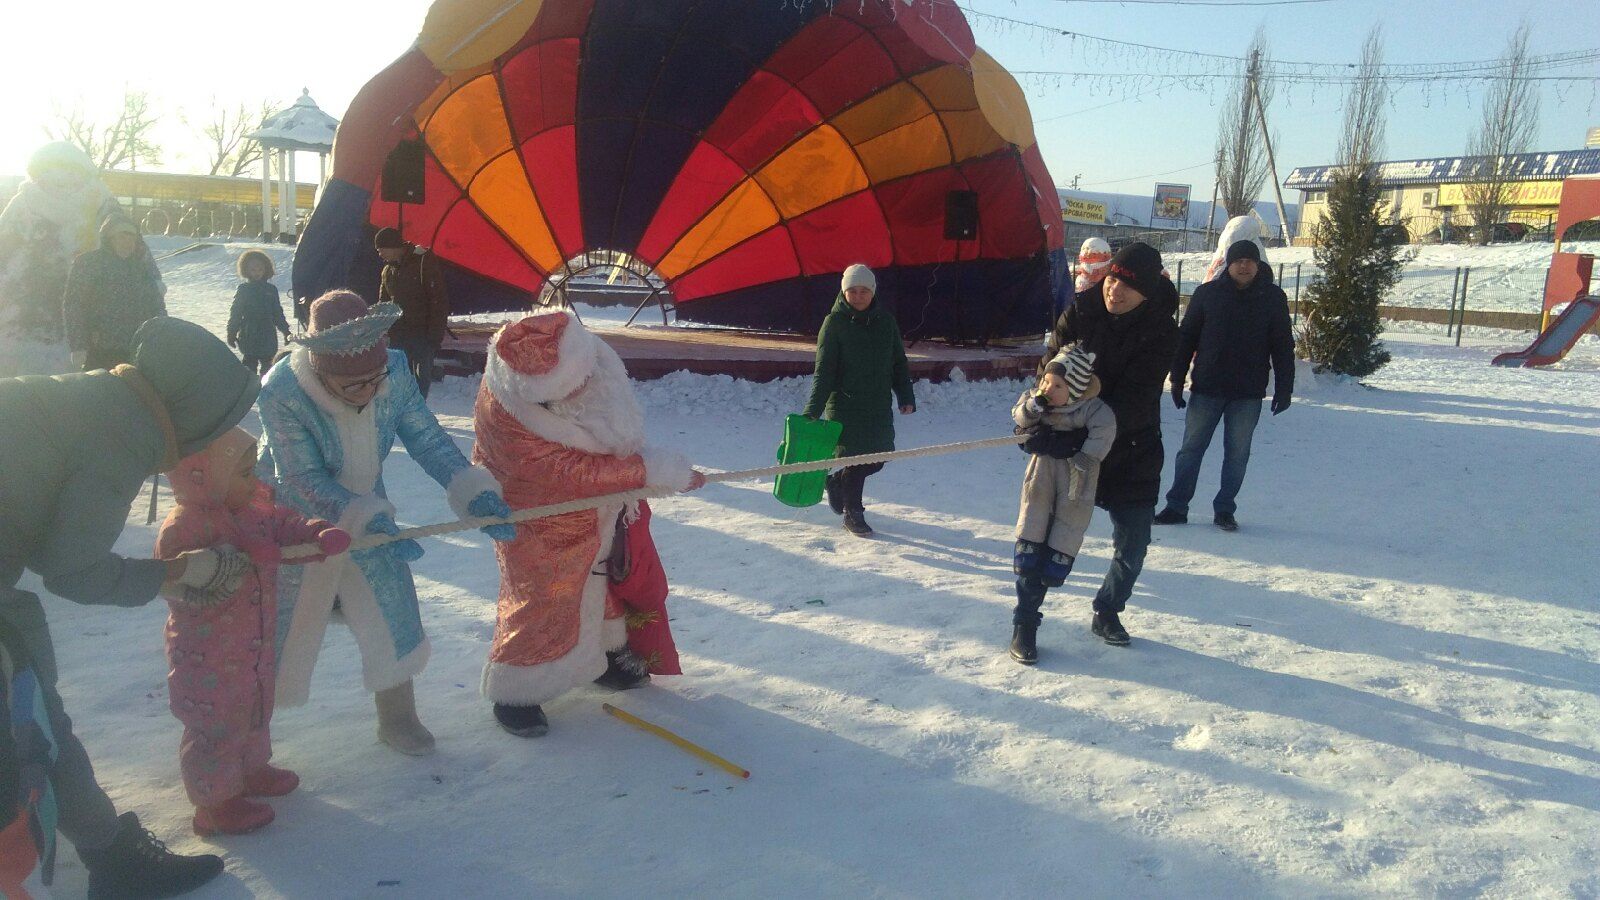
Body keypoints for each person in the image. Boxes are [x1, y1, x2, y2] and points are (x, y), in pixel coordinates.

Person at [1, 316, 259, 898]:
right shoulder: (124, 433)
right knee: (33, 721)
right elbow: (72, 570)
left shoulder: (99, 394)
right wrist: (178, 571)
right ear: (193, 411)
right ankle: (115, 862)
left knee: (32, 714)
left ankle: (106, 851)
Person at [256, 291, 515, 757]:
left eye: (375, 379)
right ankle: (250, 730)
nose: (371, 391)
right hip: (292, 518)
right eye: (354, 385)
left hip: (369, 509)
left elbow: (426, 439)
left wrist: (470, 489)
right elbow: (297, 476)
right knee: (277, 626)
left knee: (392, 611)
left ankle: (397, 717)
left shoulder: (393, 371)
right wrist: (363, 515)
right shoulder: (282, 390)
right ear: (320, 369)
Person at [474, 311, 701, 737]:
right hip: (536, 520)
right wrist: (652, 471)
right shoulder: (508, 412)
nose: (584, 386)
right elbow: (571, 471)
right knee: (544, 598)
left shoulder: (583, 354)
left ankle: (606, 655)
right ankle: (516, 690)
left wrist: (644, 466)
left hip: (597, 514)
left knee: (601, 583)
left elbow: (607, 431)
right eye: (571, 385)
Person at [155, 428, 350, 836]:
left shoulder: (254, 510)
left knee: (256, 712)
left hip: (252, 645)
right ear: (204, 478)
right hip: (206, 657)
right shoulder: (183, 527)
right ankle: (214, 802)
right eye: (243, 473)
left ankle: (250, 772)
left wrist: (316, 531)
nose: (255, 481)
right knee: (217, 727)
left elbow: (285, 522)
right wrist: (238, 556)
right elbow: (176, 580)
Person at [1042, 242, 1179, 647]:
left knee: (1134, 541)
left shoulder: (1162, 330)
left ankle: (1108, 609)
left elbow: (1138, 398)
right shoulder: (1082, 310)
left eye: (1127, 286)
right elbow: (1048, 364)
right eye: (1113, 279)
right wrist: (1045, 408)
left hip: (1133, 449)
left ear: (1147, 294)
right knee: (1041, 532)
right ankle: (1027, 615)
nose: (1115, 290)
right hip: (1069, 445)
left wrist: (1086, 414)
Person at [1158, 240, 1295, 532]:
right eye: (1238, 260)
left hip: (1247, 392)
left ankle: (1225, 509)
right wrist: (1178, 378)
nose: (1243, 266)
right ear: (1228, 264)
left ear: (1258, 265)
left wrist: (1285, 388)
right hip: (1207, 386)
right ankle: (1176, 506)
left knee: (1237, 454)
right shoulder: (1208, 294)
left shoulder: (1272, 298)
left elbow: (1283, 345)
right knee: (1190, 449)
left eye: (1249, 260)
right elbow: (1187, 338)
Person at [1008, 344, 1117, 665]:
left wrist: (1081, 452)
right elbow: (1019, 416)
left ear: (1077, 386)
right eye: (1046, 382)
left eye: (1057, 386)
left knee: (1065, 532)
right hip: (1040, 482)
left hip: (1075, 484)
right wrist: (1030, 416)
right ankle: (1024, 623)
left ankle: (1054, 565)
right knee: (1033, 534)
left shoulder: (1092, 409)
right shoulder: (1038, 400)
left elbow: (1105, 430)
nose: (1048, 389)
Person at [806, 264, 916, 537]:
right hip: (845, 404)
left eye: (863, 290)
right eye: (852, 291)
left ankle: (835, 482)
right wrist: (813, 410)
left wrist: (905, 395)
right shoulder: (834, 323)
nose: (857, 296)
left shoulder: (886, 322)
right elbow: (824, 371)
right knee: (856, 460)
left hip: (877, 405)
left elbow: (898, 363)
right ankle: (852, 513)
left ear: (873, 292)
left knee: (878, 458)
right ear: (844, 293)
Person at [0, 142, 120, 377]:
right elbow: (135, 256)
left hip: (25, 321)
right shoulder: (103, 202)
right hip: (93, 324)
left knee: (21, 389)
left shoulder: (23, 203)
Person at [62, 213, 168, 372]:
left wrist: (162, 338)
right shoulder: (89, 264)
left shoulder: (141, 268)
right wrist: (79, 346)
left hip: (136, 351)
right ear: (110, 238)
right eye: (122, 237)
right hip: (99, 351)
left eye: (132, 237)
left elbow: (157, 306)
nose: (128, 242)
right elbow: (74, 305)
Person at [374, 227, 450, 398]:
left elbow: (438, 300)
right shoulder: (387, 271)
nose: (380, 254)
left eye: (381, 250)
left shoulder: (423, 261)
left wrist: (435, 335)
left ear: (392, 246)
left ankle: (418, 414)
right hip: (399, 335)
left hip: (423, 334)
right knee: (399, 379)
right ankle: (403, 416)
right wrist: (377, 326)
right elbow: (384, 305)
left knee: (421, 380)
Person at [227, 250, 292, 377]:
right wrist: (231, 331)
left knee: (268, 369)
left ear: (265, 270)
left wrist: (286, 331)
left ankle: (265, 390)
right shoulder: (244, 290)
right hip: (249, 334)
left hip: (268, 336)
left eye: (260, 269)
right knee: (248, 367)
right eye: (253, 270)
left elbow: (277, 313)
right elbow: (236, 312)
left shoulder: (271, 290)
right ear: (246, 270)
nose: (257, 273)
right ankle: (249, 391)